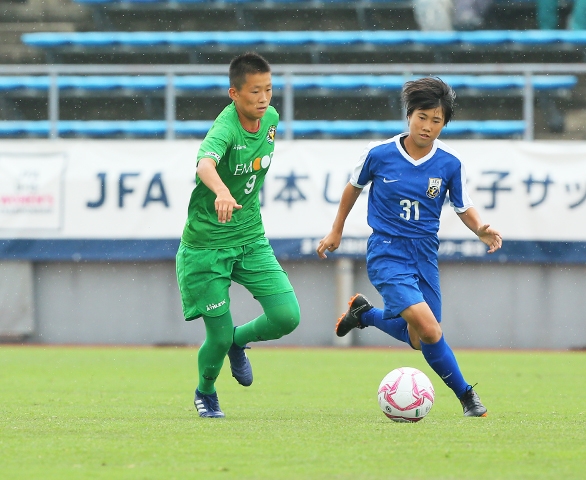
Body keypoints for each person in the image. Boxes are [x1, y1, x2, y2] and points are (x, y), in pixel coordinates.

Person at [316, 77, 502, 417]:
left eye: (436, 120)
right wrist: (336, 230)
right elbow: (352, 188)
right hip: (387, 251)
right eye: (422, 117)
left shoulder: (450, 162)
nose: (427, 126)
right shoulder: (379, 154)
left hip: (425, 253)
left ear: (444, 124)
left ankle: (365, 314)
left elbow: (463, 205)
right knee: (431, 330)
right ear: (409, 115)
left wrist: (480, 229)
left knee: (420, 338)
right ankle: (467, 397)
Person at [176, 52, 301, 418]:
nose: (263, 99)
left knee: (286, 317)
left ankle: (239, 341)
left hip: (250, 238)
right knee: (216, 336)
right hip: (206, 247)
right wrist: (221, 191)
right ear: (234, 93)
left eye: (268, 90)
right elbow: (204, 163)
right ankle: (206, 392)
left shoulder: (271, 119)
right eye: (254, 91)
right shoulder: (226, 129)